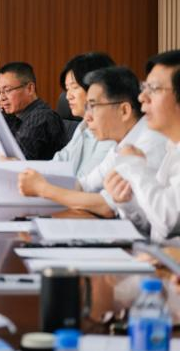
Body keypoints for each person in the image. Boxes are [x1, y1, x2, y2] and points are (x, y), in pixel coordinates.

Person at [18, 66, 166, 216]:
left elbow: (107, 206)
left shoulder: (149, 143)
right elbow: (84, 185)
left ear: (124, 111)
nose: (87, 117)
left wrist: (43, 189)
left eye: (93, 106)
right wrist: (24, 177)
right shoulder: (122, 143)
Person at [104, 50, 180, 242]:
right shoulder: (172, 147)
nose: (142, 97)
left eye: (153, 88)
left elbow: (168, 220)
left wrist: (134, 166)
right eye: (144, 87)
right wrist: (127, 202)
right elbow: (155, 227)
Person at [52, 53, 117, 177]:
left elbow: (86, 180)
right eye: (67, 89)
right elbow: (60, 160)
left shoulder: (111, 132)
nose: (68, 96)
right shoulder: (83, 125)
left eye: (74, 87)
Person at [0, 62, 67, 160]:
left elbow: (15, 158)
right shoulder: (15, 115)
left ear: (30, 88)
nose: (2, 97)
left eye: (7, 90)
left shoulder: (42, 117)